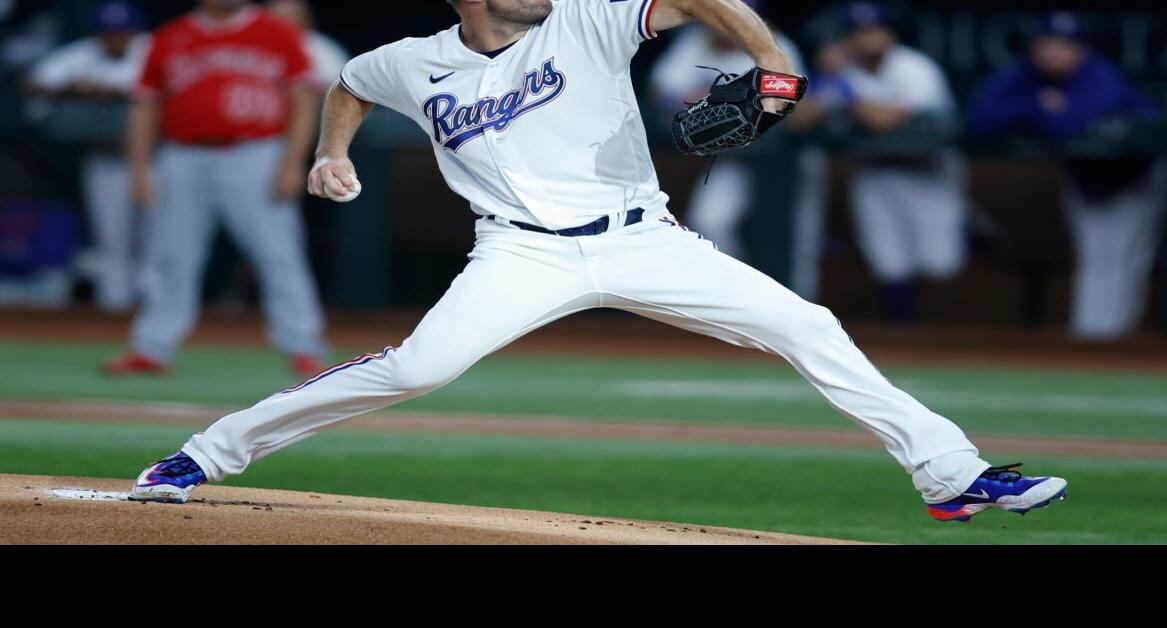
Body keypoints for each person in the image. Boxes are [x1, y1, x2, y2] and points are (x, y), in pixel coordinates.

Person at [131, 0, 1067, 525]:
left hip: (643, 238)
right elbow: (345, 85)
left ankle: (952, 474)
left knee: (807, 324)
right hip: (518, 253)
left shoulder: (588, 20)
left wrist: (774, 65)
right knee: (417, 368)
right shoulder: (405, 61)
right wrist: (333, 152)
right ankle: (202, 455)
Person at [102, 0, 328, 377]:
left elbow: (304, 100)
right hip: (182, 155)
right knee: (171, 255)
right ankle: (151, 348)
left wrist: (292, 162)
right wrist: (139, 169)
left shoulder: (276, 32)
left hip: (256, 152)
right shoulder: (170, 36)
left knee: (278, 254)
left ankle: (304, 347)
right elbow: (145, 107)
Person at [969, 10, 1165, 341]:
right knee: (1097, 257)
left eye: (1065, 45)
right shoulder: (1025, 77)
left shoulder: (1101, 76)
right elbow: (979, 121)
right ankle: (1094, 339)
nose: (1053, 52)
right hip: (1088, 179)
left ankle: (1111, 341)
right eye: (1047, 43)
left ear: (1082, 49)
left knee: (1124, 260)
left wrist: (1039, 112)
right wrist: (1036, 104)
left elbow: (1071, 125)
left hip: (1135, 176)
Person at [647, 0, 824, 300]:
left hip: (784, 162)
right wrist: (701, 98)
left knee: (796, 239)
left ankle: (797, 306)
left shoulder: (777, 48)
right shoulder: (696, 44)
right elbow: (660, 91)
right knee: (711, 220)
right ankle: (735, 297)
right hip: (734, 159)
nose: (728, 24)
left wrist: (747, 101)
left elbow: (802, 108)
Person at [829, 2, 968, 323]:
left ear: (890, 34)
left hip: (927, 172)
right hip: (873, 170)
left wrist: (844, 84)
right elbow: (803, 118)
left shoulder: (915, 69)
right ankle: (903, 338)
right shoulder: (844, 71)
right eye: (858, 32)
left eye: (874, 30)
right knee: (888, 260)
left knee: (940, 262)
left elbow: (881, 121)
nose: (867, 39)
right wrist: (825, 78)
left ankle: (975, 233)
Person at [24, 1, 150, 312]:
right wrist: (72, 88)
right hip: (107, 160)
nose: (115, 39)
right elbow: (33, 81)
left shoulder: (151, 49)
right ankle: (113, 316)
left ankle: (159, 313)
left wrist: (113, 92)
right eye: (109, 33)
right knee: (112, 243)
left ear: (135, 32)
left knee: (157, 242)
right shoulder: (85, 53)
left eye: (122, 33)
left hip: (154, 162)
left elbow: (167, 89)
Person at [266, 0, 349, 89]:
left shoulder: (318, 45)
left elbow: (340, 83)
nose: (283, 24)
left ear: (305, 19)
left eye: (290, 16)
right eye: (278, 18)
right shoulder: (260, 45)